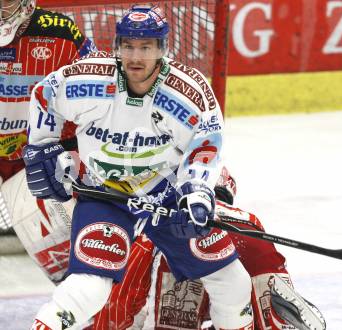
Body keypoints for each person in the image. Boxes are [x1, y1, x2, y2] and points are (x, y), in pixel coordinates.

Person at [23, 4, 253, 329]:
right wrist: (43, 145)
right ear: (117, 46)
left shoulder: (187, 92)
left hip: (166, 198)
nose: (135, 56)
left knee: (234, 284)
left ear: (162, 49)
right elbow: (44, 94)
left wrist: (196, 190)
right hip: (105, 196)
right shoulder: (88, 79)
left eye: (145, 47)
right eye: (128, 46)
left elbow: (205, 140)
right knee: (88, 288)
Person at [91, 167, 326, 330]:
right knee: (246, 301)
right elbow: (268, 263)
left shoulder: (163, 218)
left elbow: (125, 296)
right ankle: (274, 322)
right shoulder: (250, 220)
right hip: (247, 251)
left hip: (178, 257)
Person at [0, 0, 95, 281]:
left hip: (37, 155)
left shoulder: (62, 34)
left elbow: (103, 97)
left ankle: (85, 307)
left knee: (69, 253)